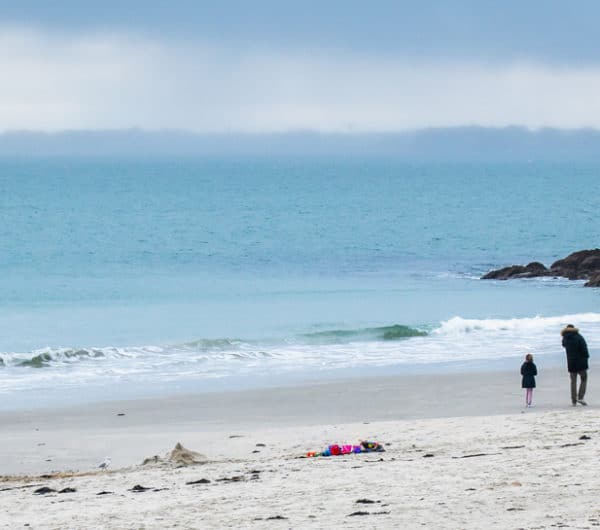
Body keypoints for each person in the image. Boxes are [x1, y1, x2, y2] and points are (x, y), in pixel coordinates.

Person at [561, 324, 590, 406]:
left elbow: (563, 345)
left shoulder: (565, 338)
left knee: (573, 381)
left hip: (571, 362)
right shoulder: (579, 337)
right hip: (581, 362)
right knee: (584, 379)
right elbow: (584, 349)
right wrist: (586, 357)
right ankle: (580, 397)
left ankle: (573, 400)